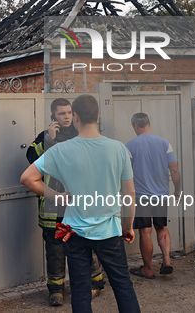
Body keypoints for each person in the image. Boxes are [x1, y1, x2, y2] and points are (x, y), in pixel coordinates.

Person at [21, 94, 141, 313]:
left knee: (80, 289)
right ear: (97, 115)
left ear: (75, 117)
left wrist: (57, 196)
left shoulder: (60, 150)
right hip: (110, 232)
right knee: (123, 286)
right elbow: (129, 193)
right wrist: (127, 226)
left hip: (74, 233)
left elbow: (28, 178)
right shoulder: (118, 149)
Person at [26, 98, 104, 306]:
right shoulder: (44, 138)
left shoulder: (83, 135)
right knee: (55, 250)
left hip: (79, 205)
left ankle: (95, 282)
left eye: (69, 112)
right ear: (53, 117)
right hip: (53, 207)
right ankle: (56, 290)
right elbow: (32, 160)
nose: (67, 116)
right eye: (61, 114)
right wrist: (48, 139)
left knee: (86, 245)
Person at [125, 113, 182, 279]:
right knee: (161, 227)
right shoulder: (165, 144)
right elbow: (175, 169)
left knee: (145, 231)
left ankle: (148, 269)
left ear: (135, 125)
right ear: (148, 123)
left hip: (141, 197)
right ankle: (166, 260)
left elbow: (126, 174)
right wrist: (177, 189)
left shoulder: (130, 146)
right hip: (161, 195)